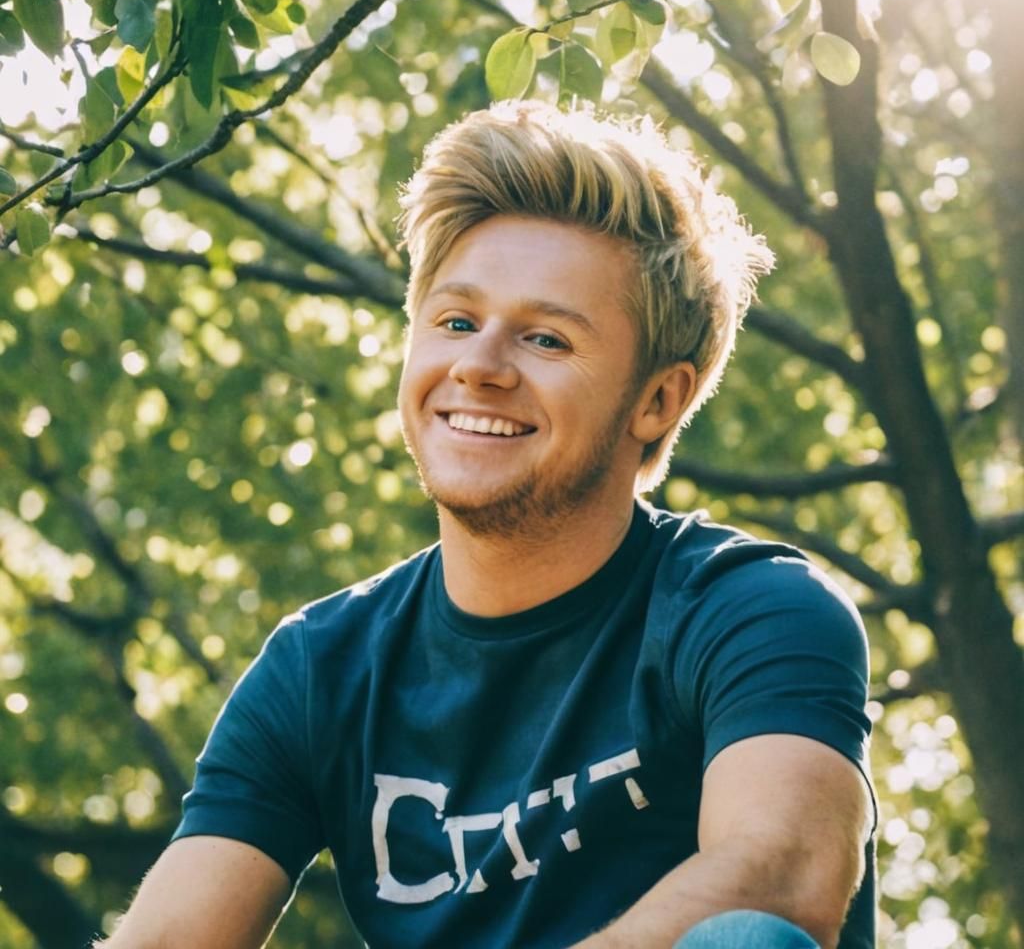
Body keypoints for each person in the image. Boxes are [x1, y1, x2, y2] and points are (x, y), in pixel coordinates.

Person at [96, 101, 875, 949]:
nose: (478, 366)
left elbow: (785, 871)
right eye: (457, 323)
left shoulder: (750, 610)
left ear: (657, 399)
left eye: (546, 339)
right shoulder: (321, 667)